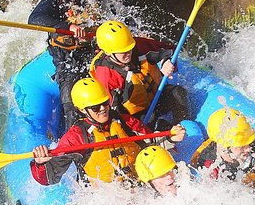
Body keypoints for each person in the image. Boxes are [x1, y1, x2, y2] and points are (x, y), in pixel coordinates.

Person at [30, 78, 185, 186]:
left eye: (105, 103)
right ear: (82, 110)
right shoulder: (77, 136)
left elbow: (152, 144)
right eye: (96, 107)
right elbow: (50, 178)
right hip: (104, 199)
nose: (103, 109)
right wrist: (40, 164)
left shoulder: (125, 122)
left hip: (138, 186)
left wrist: (171, 138)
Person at [29, 0, 116, 129]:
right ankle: (75, 137)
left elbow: (115, 18)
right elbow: (35, 19)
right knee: (72, 103)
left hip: (94, 52)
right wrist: (68, 26)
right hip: (68, 59)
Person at [90, 20, 191, 131]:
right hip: (136, 114)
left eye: (129, 48)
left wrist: (166, 61)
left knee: (178, 93)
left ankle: (186, 126)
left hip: (158, 95)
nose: (129, 53)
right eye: (123, 51)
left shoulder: (138, 45)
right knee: (156, 124)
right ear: (108, 53)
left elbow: (169, 50)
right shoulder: (106, 76)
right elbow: (112, 114)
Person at [190, 108, 255, 198]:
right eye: (242, 146)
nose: (248, 149)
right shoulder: (209, 165)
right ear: (225, 147)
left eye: (248, 143)